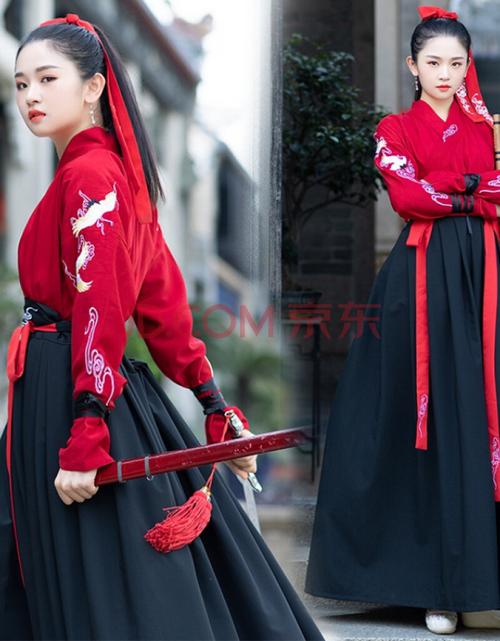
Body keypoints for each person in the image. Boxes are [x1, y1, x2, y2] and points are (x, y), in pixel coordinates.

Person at [0, 12, 324, 641]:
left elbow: (101, 305)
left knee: (87, 579)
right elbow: (163, 303)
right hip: (67, 388)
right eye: (20, 84)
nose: (30, 96)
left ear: (93, 87)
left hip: (72, 397)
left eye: (46, 78)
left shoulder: (90, 176)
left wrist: (87, 431)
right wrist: (212, 402)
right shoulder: (116, 175)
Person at [305, 5, 500, 636]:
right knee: (431, 415)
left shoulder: (486, 128)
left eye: (457, 63)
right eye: (434, 62)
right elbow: (409, 197)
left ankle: (482, 580)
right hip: (421, 283)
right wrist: (472, 194)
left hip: (487, 277)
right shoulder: (394, 127)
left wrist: (454, 189)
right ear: (412, 67)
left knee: (484, 408)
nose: (446, 73)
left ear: (468, 67)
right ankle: (433, 587)